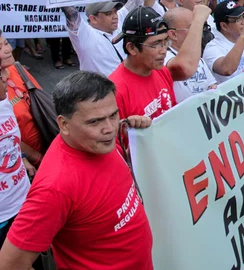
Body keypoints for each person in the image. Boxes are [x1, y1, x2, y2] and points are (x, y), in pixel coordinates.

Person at [0, 72, 153, 270]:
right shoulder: (55, 188)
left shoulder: (100, 141)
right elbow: (9, 264)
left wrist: (138, 134)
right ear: (64, 124)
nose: (109, 128)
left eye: (113, 115)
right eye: (95, 121)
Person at [33, 0, 153, 76]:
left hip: (128, 89)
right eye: (108, 14)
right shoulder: (85, 35)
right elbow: (69, 11)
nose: (115, 16)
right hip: (103, 96)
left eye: (115, 11)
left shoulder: (119, 19)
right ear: (93, 19)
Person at [110, 5, 207, 121]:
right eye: (156, 44)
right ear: (132, 48)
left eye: (166, 41)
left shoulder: (162, 72)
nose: (164, 50)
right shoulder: (116, 91)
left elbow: (172, 115)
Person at [0, 55, 36, 257]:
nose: (7, 75)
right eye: (0, 73)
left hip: (24, 203)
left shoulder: (3, 100)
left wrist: (21, 157)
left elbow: (9, 138)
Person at [0, 35, 46, 166]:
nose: (8, 49)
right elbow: (5, 136)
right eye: (0, 48)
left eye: (6, 43)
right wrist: (34, 157)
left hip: (46, 143)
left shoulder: (17, 68)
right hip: (25, 161)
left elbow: (40, 97)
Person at [164, 7, 217, 102]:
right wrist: (199, 19)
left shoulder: (197, 58)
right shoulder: (165, 57)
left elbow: (211, 85)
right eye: (192, 27)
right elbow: (183, 68)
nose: (197, 31)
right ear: (173, 34)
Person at [203, 1, 244, 84]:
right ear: (224, 26)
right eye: (238, 19)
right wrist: (243, 36)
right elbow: (227, 69)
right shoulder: (212, 48)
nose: (243, 22)